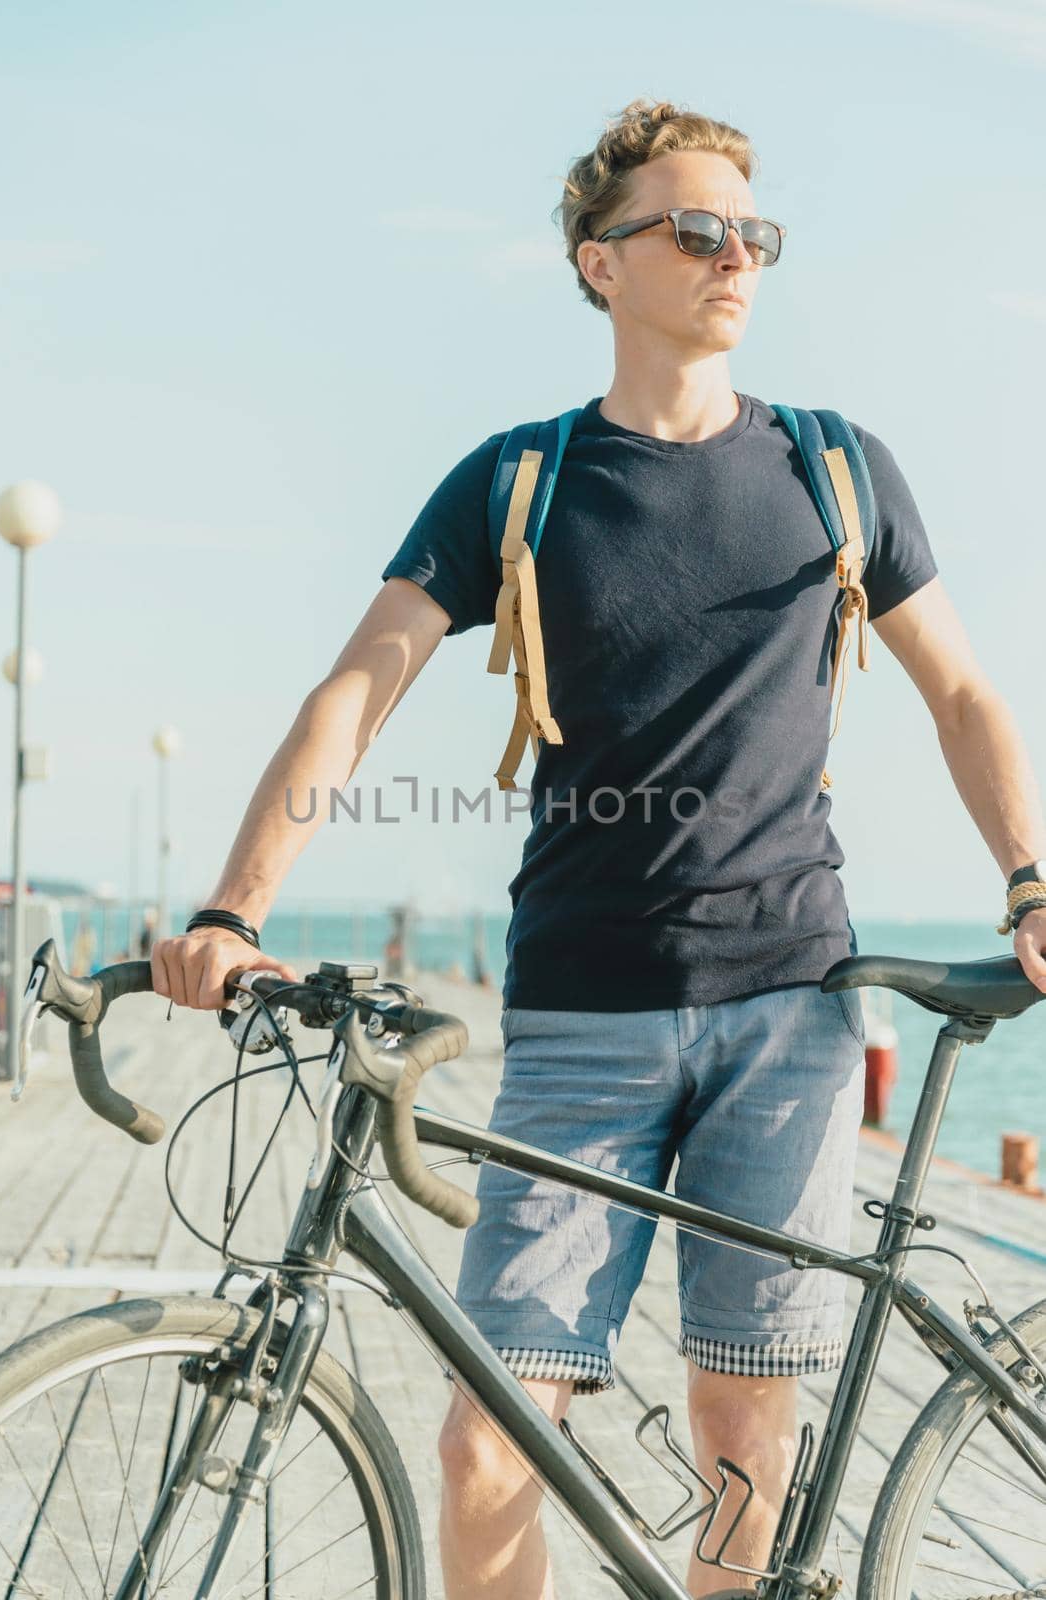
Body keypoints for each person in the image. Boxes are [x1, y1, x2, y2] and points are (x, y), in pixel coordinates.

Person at [151, 98, 1046, 1600]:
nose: (733, 258)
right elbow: (352, 696)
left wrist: (1032, 878)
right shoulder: (521, 480)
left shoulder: (839, 471)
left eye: (752, 234)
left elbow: (962, 696)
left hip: (791, 1013)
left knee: (738, 1428)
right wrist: (234, 910)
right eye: (694, 230)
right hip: (577, 1021)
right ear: (598, 262)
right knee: (492, 1436)